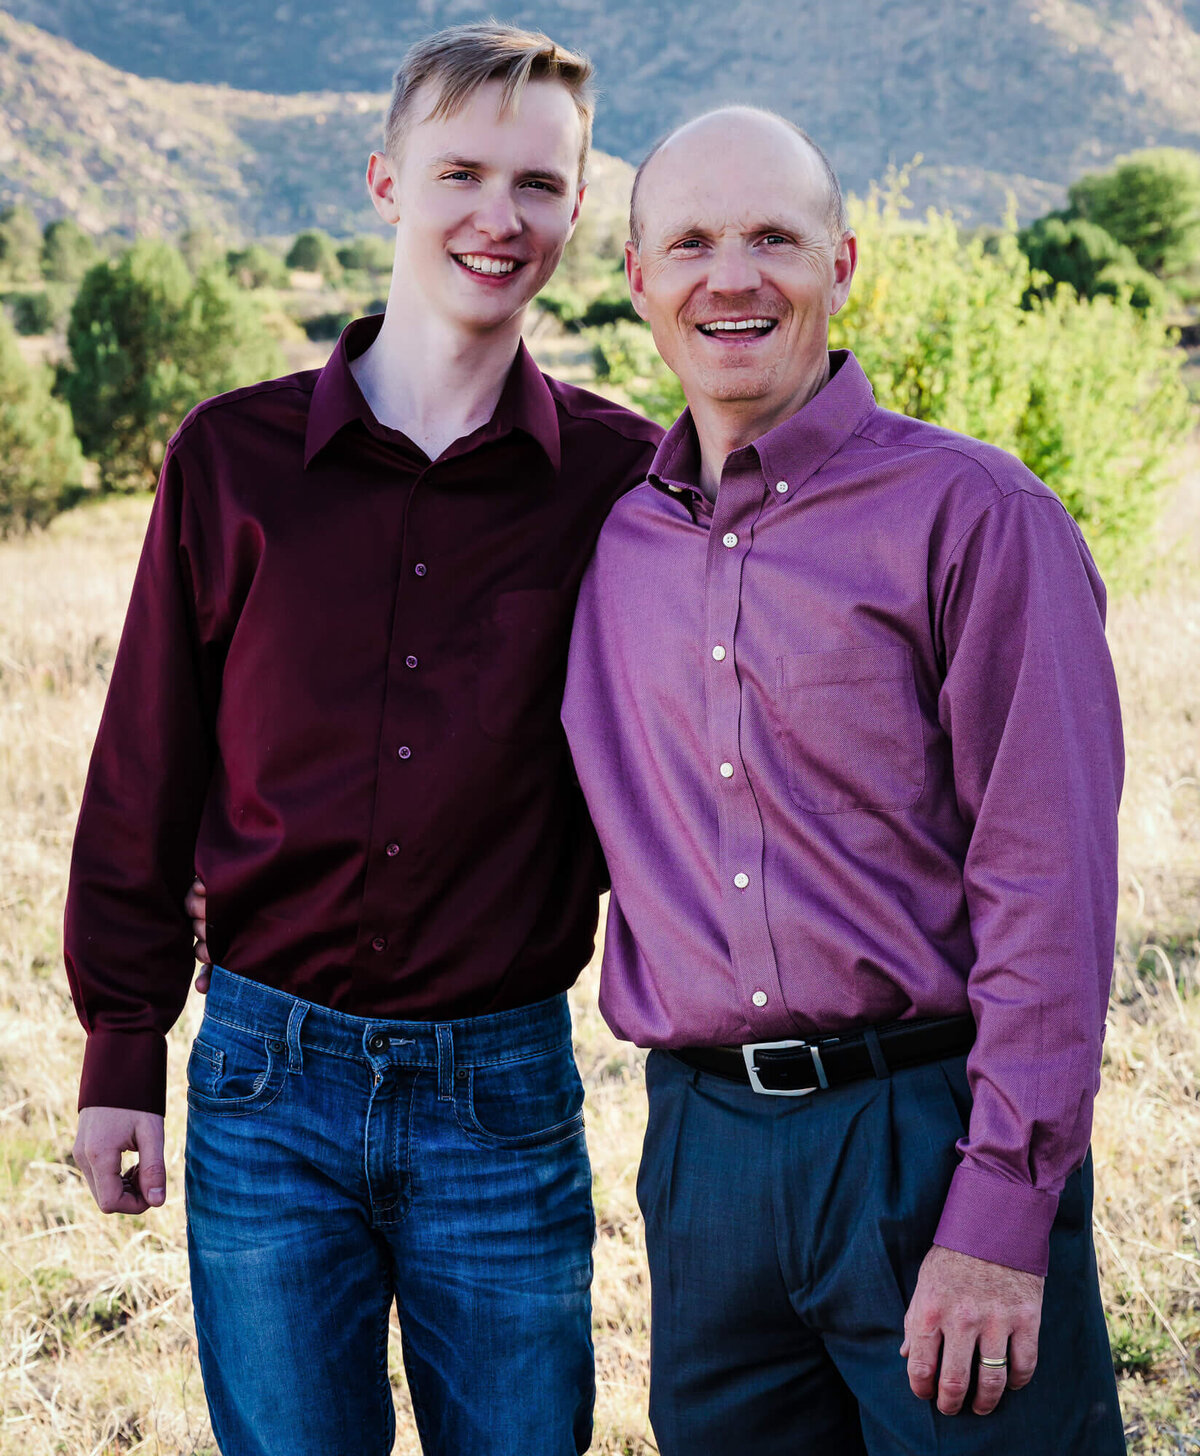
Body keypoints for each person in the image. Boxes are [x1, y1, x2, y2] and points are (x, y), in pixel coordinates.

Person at [63, 23, 661, 1456]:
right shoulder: (233, 457)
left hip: (503, 1090)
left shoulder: (623, 480)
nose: (498, 216)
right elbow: (148, 761)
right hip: (268, 1082)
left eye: (537, 184)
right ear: (387, 182)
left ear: (578, 211)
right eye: (462, 171)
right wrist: (120, 1042)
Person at [560, 106, 1127, 1454]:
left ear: (844, 261)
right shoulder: (613, 546)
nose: (733, 276)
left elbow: (1049, 883)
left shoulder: (978, 517)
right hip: (702, 1157)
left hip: (927, 1140)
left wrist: (1003, 1209)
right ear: (637, 278)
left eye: (775, 237)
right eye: (691, 240)